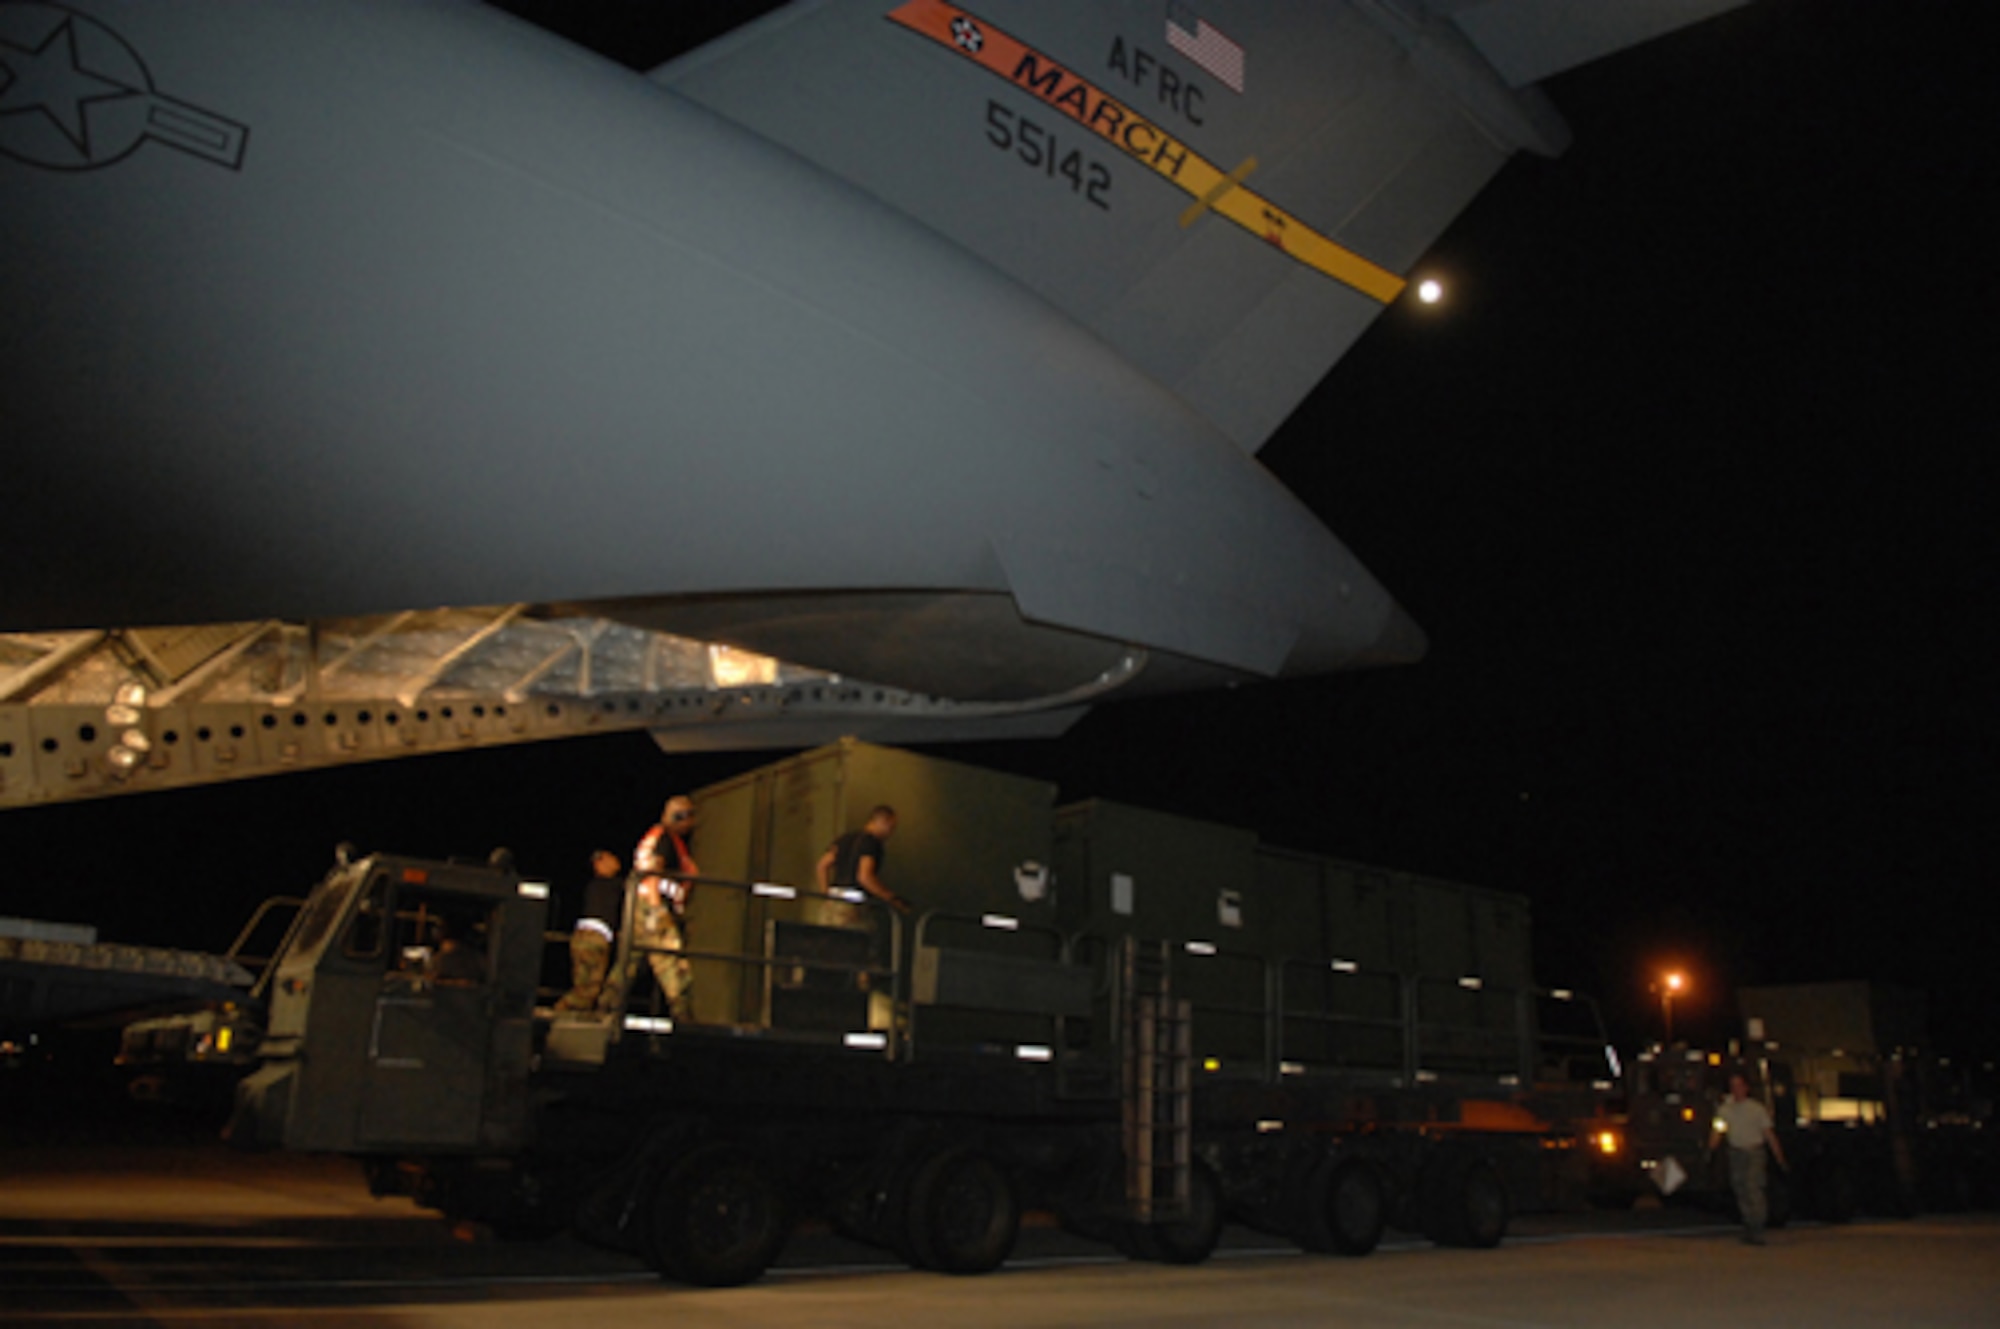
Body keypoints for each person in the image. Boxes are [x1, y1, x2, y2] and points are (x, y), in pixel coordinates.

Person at [623, 795, 698, 1020]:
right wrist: (657, 911)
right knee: (673, 963)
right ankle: (683, 1017)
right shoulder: (664, 838)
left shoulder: (662, 838)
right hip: (653, 906)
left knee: (629, 961)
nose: (692, 823)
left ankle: (607, 1006)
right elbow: (652, 874)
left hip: (642, 906)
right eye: (689, 816)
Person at [1708, 1070, 1789, 1244]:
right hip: (1736, 1153)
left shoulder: (1756, 1109)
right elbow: (1718, 1131)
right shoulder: (1725, 1110)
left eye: (1739, 1086)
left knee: (1753, 1188)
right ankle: (1748, 1225)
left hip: (1754, 1152)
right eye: (1733, 1087)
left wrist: (1779, 1156)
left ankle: (1758, 1226)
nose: (1736, 1090)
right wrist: (1711, 1149)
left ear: (1746, 1088)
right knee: (1740, 1189)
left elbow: (1769, 1134)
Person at [815, 805, 912, 925]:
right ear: (883, 822)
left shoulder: (845, 839)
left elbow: (822, 865)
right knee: (858, 939)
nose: (891, 833)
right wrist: (891, 898)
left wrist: (826, 895)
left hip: (833, 899)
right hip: (852, 905)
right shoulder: (871, 844)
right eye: (891, 827)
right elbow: (865, 876)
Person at [554, 849, 623, 1013]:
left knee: (584, 987)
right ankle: (558, 1012)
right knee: (589, 990)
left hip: (582, 937)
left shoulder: (595, 887)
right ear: (599, 864)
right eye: (608, 858)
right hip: (594, 938)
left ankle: (569, 1017)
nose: (614, 860)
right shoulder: (609, 885)